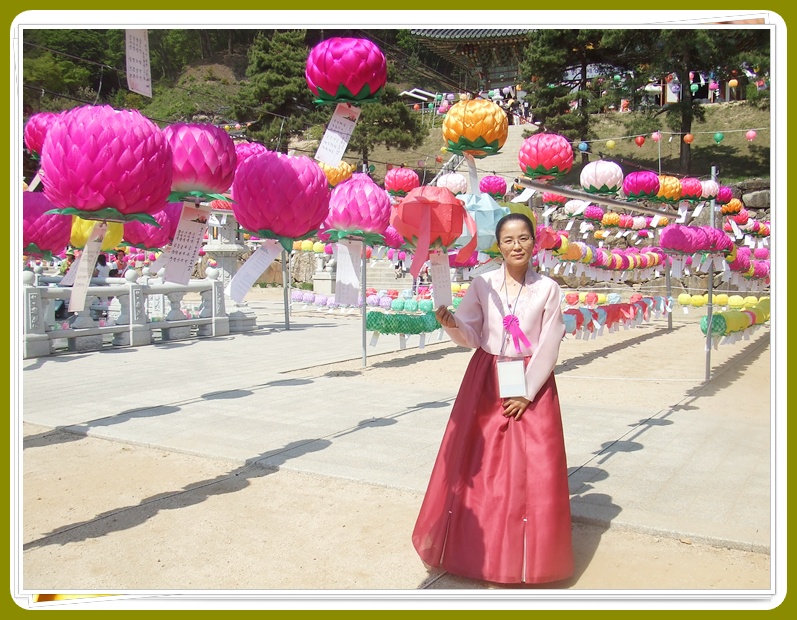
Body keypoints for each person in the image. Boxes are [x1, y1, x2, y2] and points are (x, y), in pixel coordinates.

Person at [412, 212, 572, 585]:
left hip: (532, 380)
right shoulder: (482, 283)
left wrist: (528, 392)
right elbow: (471, 332)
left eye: (523, 238)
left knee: (532, 467)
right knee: (480, 464)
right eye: (508, 240)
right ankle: (477, 546)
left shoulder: (548, 289)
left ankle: (528, 556)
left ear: (534, 242)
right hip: (487, 377)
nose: (517, 246)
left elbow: (550, 342)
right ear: (498, 246)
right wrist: (452, 323)